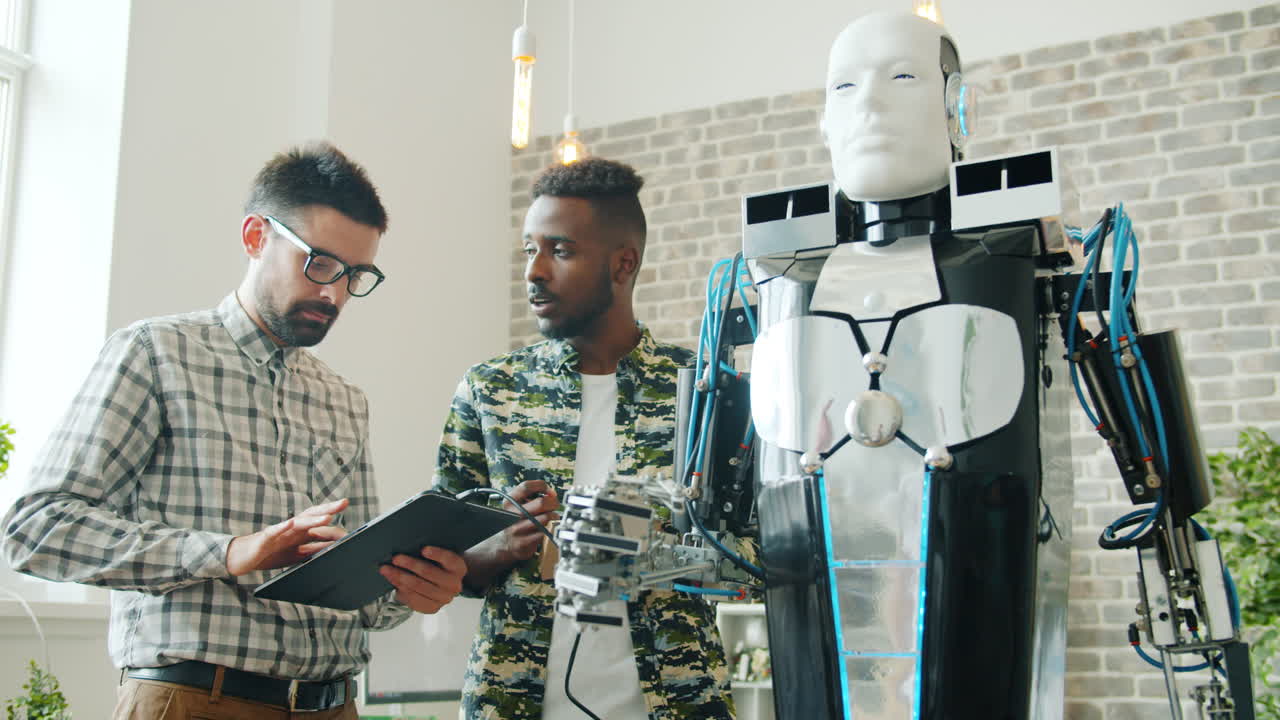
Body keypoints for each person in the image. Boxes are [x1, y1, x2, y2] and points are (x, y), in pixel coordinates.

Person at [1, 142, 468, 720]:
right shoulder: (155, 354)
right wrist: (228, 553)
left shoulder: (344, 400)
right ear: (255, 237)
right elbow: (35, 528)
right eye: (319, 263)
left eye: (355, 274)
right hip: (194, 701)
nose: (335, 293)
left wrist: (410, 588)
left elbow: (360, 593)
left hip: (335, 705)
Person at [434, 157, 736, 720]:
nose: (534, 271)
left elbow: (768, 557)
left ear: (623, 264)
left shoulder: (707, 394)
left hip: (678, 703)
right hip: (511, 701)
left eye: (561, 251)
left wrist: (650, 553)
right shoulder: (489, 391)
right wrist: (501, 546)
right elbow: (440, 559)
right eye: (530, 250)